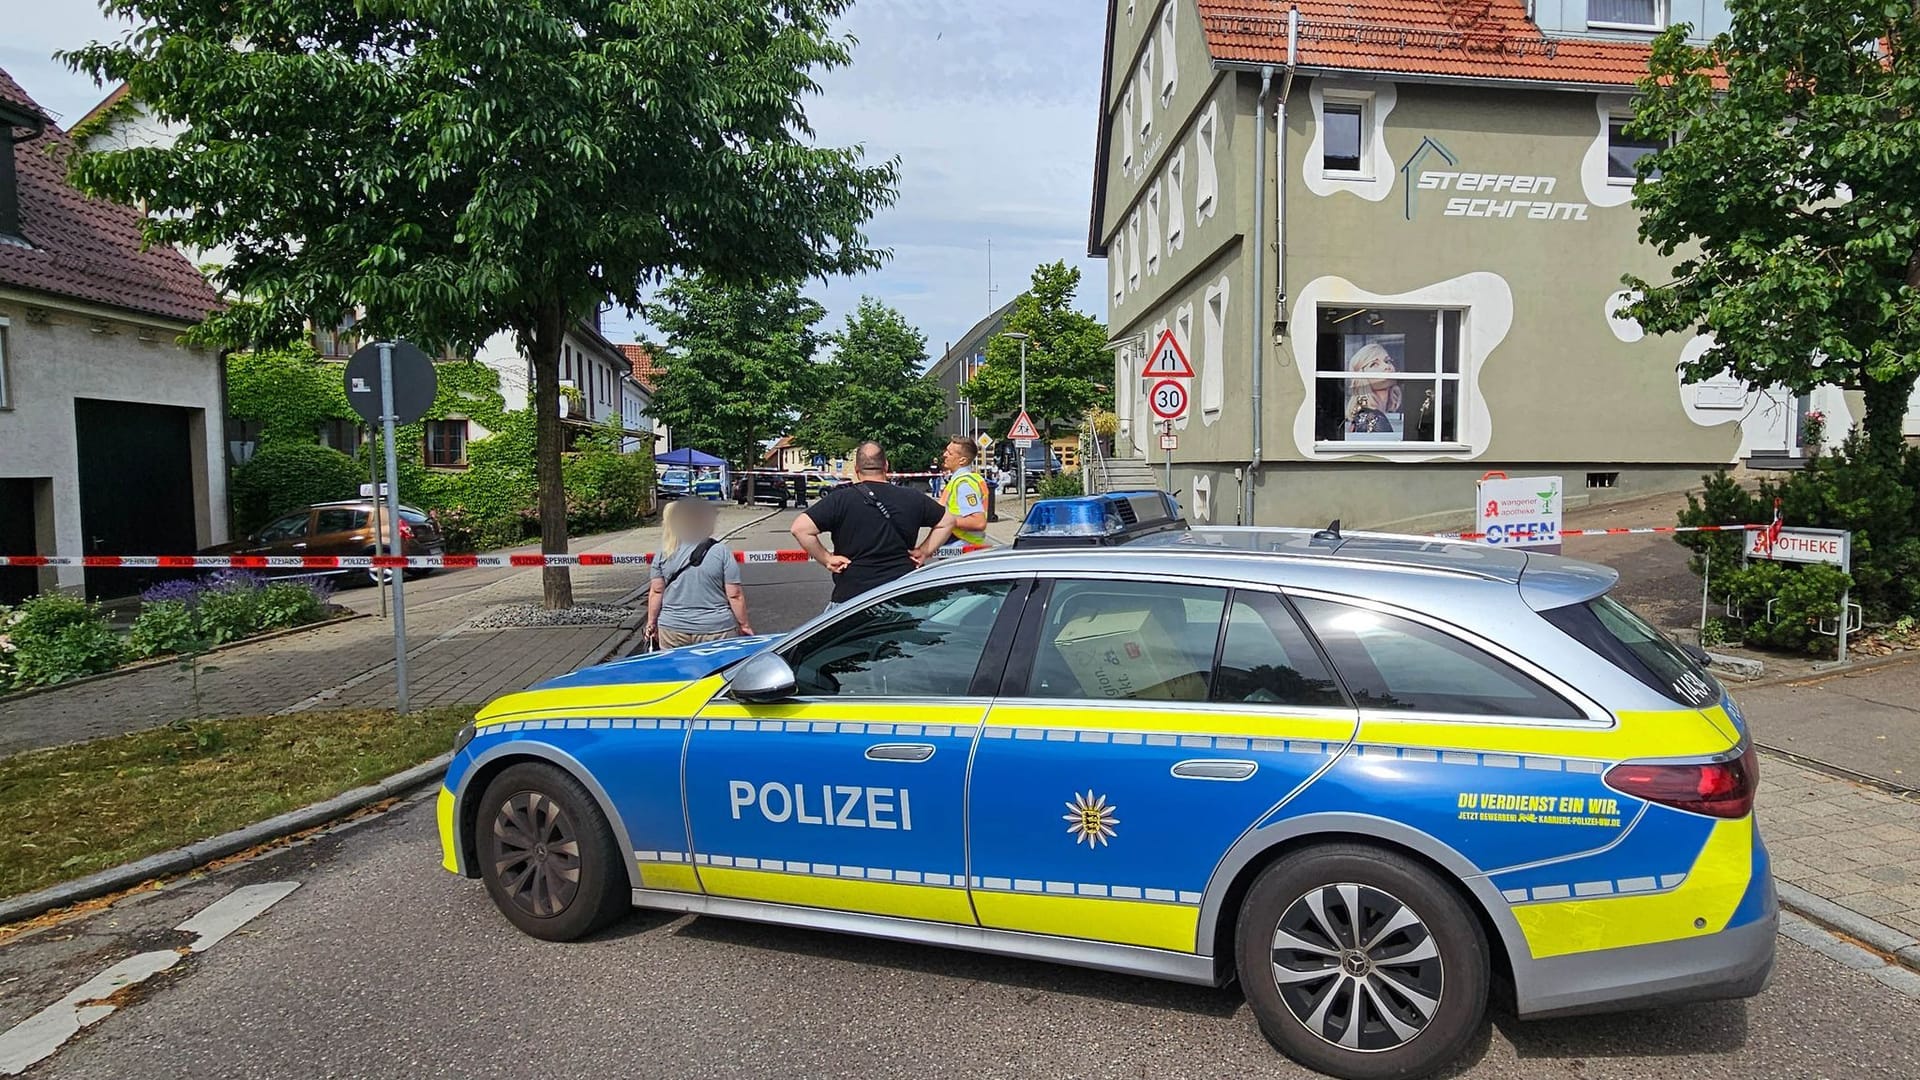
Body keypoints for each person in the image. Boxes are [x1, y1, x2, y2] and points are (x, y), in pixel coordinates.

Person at [791, 441, 958, 613]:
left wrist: (826, 558)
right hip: (902, 595)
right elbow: (947, 521)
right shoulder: (913, 497)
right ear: (886, 466)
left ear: (856, 469)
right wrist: (924, 551)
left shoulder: (839, 499)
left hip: (853, 597)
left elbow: (800, 528)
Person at [645, 499, 753, 649]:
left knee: (676, 665)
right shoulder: (721, 551)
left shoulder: (664, 552)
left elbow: (656, 592)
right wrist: (744, 625)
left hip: (672, 628)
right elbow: (734, 594)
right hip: (716, 629)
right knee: (717, 665)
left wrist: (651, 623)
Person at [938, 435, 990, 547]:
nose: (944, 454)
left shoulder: (964, 484)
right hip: (957, 542)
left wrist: (945, 520)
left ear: (962, 460)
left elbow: (978, 523)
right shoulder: (959, 480)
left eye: (949, 453)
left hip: (960, 544)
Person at [1346, 342, 1402, 435]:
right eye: (1374, 364)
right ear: (1362, 375)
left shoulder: (1369, 415)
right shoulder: (1374, 419)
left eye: (1387, 361)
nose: (1387, 367)